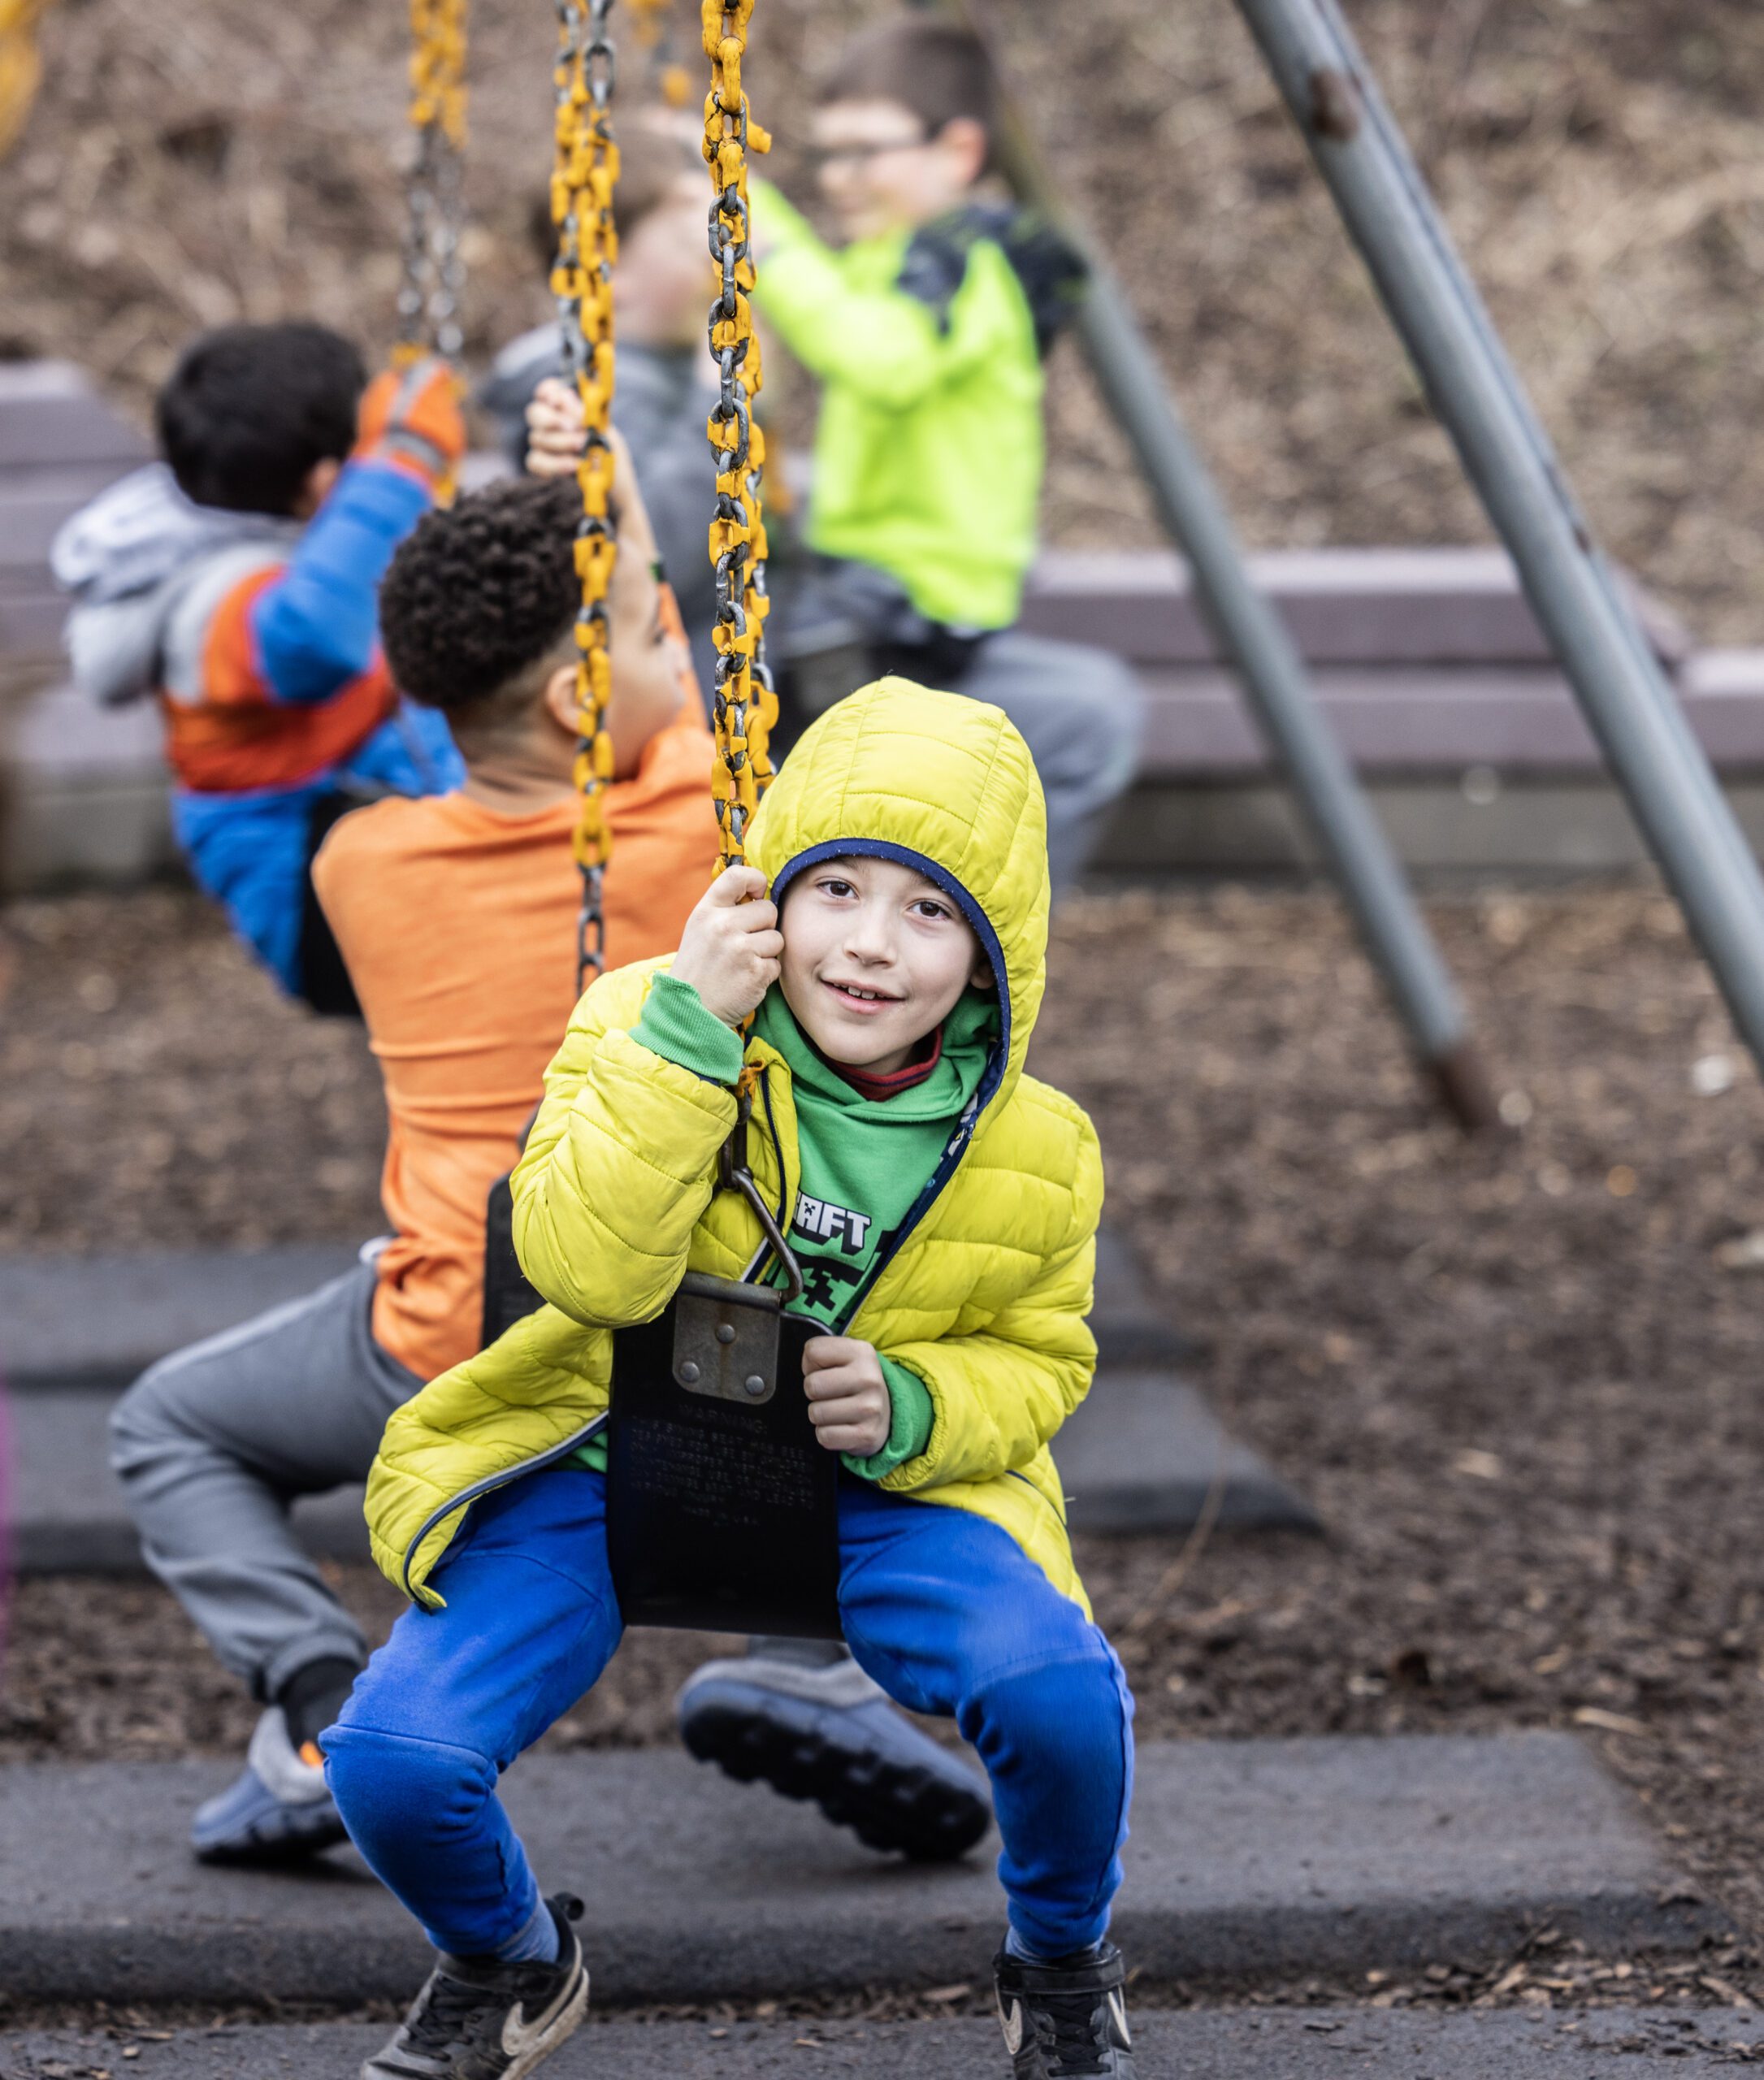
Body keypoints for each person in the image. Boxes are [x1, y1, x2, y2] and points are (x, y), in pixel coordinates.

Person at [109, 458, 986, 1873]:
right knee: (855, 1359)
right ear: (591, 698)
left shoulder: (363, 867)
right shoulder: (721, 838)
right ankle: (811, 1651)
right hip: (690, 1352)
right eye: (656, 632)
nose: (680, 654)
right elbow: (698, 717)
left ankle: (322, 1706)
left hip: (444, 1340)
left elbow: (544, 711)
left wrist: (593, 548)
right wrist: (616, 492)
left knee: (171, 1431)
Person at [326, 679, 1138, 2080]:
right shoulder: (645, 1020)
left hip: (876, 1493)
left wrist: (920, 1404)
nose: (872, 947)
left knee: (1062, 1696)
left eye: (930, 911)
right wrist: (692, 1039)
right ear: (770, 896)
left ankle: (1060, 1958)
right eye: (837, 892)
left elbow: (1039, 1356)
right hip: (601, 1458)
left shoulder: (1040, 1145)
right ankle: (510, 1961)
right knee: (392, 1759)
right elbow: (583, 1267)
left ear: (997, 950)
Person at [752, 15, 1143, 893]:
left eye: (863, 151)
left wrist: (755, 228)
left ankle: (979, 935)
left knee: (1082, 726)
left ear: (957, 150)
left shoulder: (959, 265)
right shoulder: (886, 263)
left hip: (914, 612)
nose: (838, 178)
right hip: (871, 598)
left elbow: (881, 361)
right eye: (826, 155)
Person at [51, 323, 468, 1006]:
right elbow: (311, 641)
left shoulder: (236, 519)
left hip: (368, 843)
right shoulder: (207, 604)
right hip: (314, 907)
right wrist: (400, 464)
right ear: (326, 480)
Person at [477, 125, 725, 696]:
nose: (719, 255)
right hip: (673, 700)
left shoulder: (669, 365)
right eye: (692, 241)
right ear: (610, 274)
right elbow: (663, 553)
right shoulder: (586, 393)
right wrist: (714, 404)